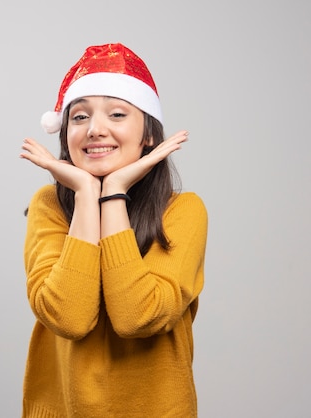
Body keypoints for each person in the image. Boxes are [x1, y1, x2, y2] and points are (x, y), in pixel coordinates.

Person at [19, 43, 208, 417]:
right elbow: (69, 317)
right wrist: (87, 194)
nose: (95, 129)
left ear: (148, 135)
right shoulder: (50, 205)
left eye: (117, 114)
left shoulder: (184, 212)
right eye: (79, 117)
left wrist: (114, 193)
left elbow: (137, 318)